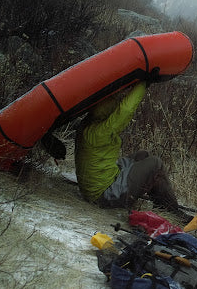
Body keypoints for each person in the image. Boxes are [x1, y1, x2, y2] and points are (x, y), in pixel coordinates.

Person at [74, 81, 185, 218]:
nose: (116, 103)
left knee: (142, 155)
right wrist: (143, 83)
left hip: (95, 187)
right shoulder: (101, 131)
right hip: (105, 195)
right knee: (155, 164)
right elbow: (125, 111)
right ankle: (171, 211)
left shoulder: (85, 125)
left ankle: (161, 204)